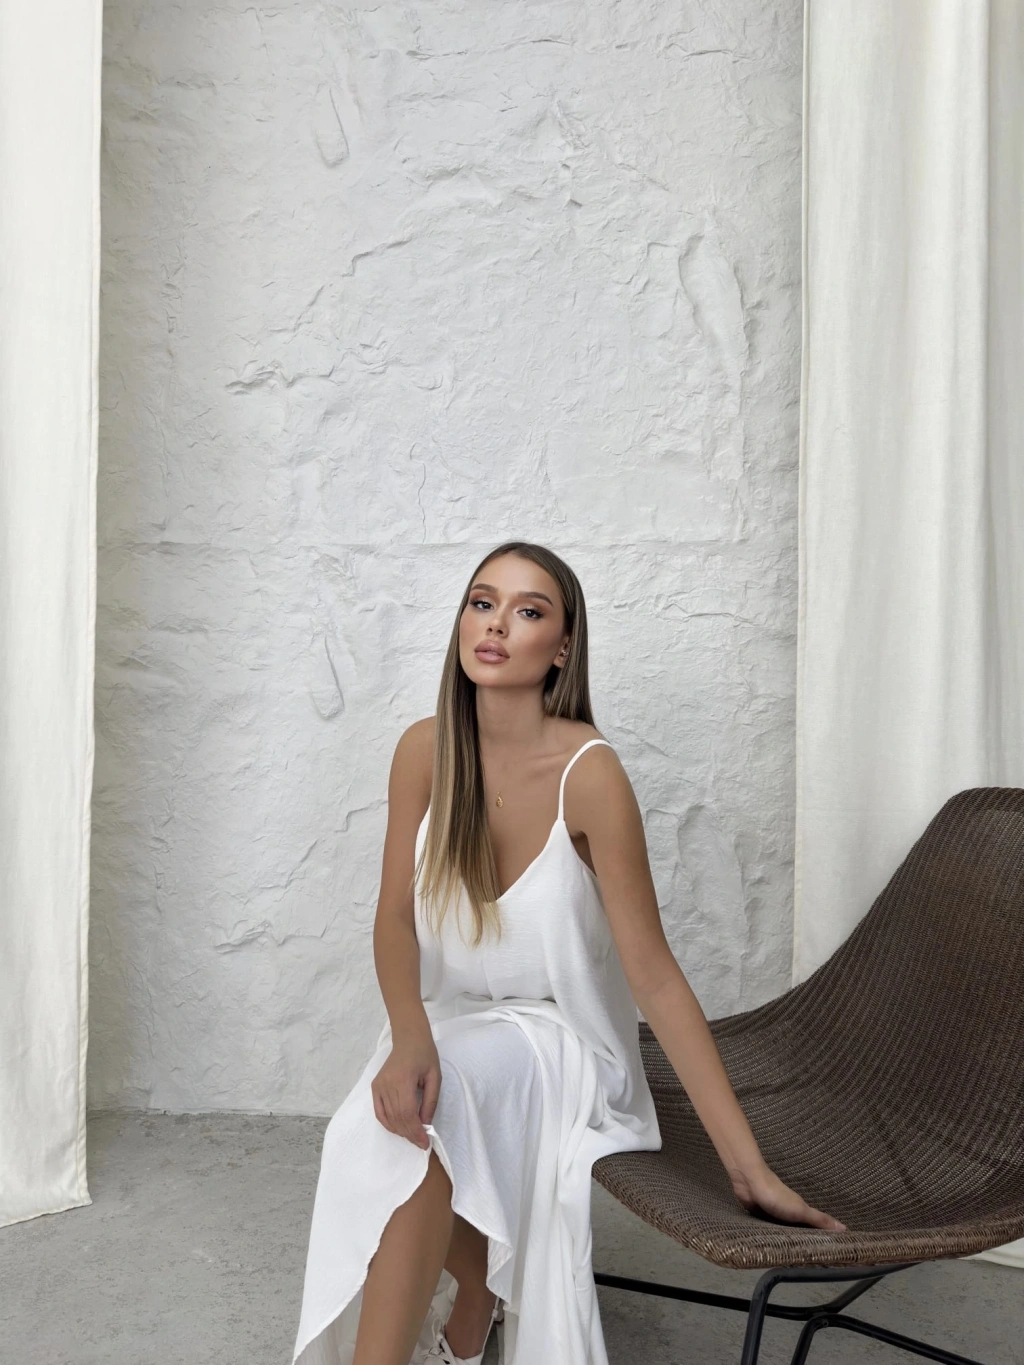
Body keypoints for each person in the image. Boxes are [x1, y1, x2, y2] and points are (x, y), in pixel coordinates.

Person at [291, 540, 846, 1365]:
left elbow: (654, 976)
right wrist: (409, 1033)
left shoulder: (590, 775)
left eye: (528, 610)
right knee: (373, 1130)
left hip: (561, 1043)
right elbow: (394, 918)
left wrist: (748, 1167)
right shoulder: (422, 751)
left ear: (561, 647)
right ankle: (477, 1291)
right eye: (482, 602)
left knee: (423, 1123)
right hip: (448, 1023)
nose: (496, 624)